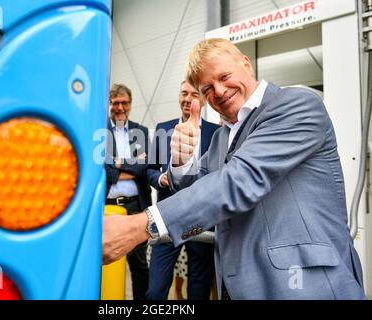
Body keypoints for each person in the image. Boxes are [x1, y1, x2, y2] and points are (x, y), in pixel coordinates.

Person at [102, 39, 367, 300]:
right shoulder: (221, 137)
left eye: (224, 76)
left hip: (307, 286)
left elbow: (238, 181)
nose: (218, 91)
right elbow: (200, 190)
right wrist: (181, 162)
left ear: (246, 64)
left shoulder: (296, 105)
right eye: (207, 89)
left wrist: (141, 225)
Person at [146, 80, 218, 300]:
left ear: (204, 99)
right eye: (184, 93)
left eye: (194, 95)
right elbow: (150, 169)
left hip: (202, 219)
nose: (187, 99)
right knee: (156, 289)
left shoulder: (217, 133)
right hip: (167, 218)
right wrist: (160, 178)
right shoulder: (163, 128)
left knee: (199, 288)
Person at [105, 83, 151, 300]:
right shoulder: (99, 132)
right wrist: (130, 166)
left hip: (135, 206)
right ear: (109, 104)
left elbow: (143, 167)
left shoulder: (140, 132)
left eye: (124, 103)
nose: (120, 107)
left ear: (130, 104)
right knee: (105, 262)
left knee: (140, 265)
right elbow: (102, 169)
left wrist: (117, 163)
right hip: (107, 208)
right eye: (116, 103)